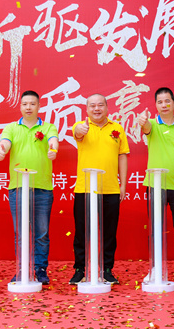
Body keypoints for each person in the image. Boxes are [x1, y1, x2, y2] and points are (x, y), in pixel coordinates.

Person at [0, 90, 59, 285]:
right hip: (18, 187)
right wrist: (2, 149)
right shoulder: (11, 127)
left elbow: (53, 140)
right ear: (20, 106)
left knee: (42, 233)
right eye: (25, 104)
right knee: (21, 233)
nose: (28, 107)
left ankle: (40, 269)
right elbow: (5, 142)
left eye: (32, 104)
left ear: (39, 106)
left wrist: (53, 149)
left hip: (42, 187)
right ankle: (22, 268)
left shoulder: (48, 127)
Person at [138, 87, 174, 284]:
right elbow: (146, 128)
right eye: (160, 102)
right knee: (155, 229)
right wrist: (144, 122)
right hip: (155, 186)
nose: (164, 105)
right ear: (156, 105)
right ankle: (154, 268)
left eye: (167, 101)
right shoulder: (152, 125)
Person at [69, 94, 129, 285]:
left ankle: (106, 269)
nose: (97, 109)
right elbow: (77, 133)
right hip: (85, 188)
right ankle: (80, 269)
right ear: (87, 109)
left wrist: (123, 184)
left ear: (107, 107)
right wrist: (80, 130)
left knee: (109, 233)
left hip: (110, 188)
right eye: (92, 106)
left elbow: (122, 156)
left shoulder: (117, 128)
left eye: (100, 105)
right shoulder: (81, 126)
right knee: (81, 232)